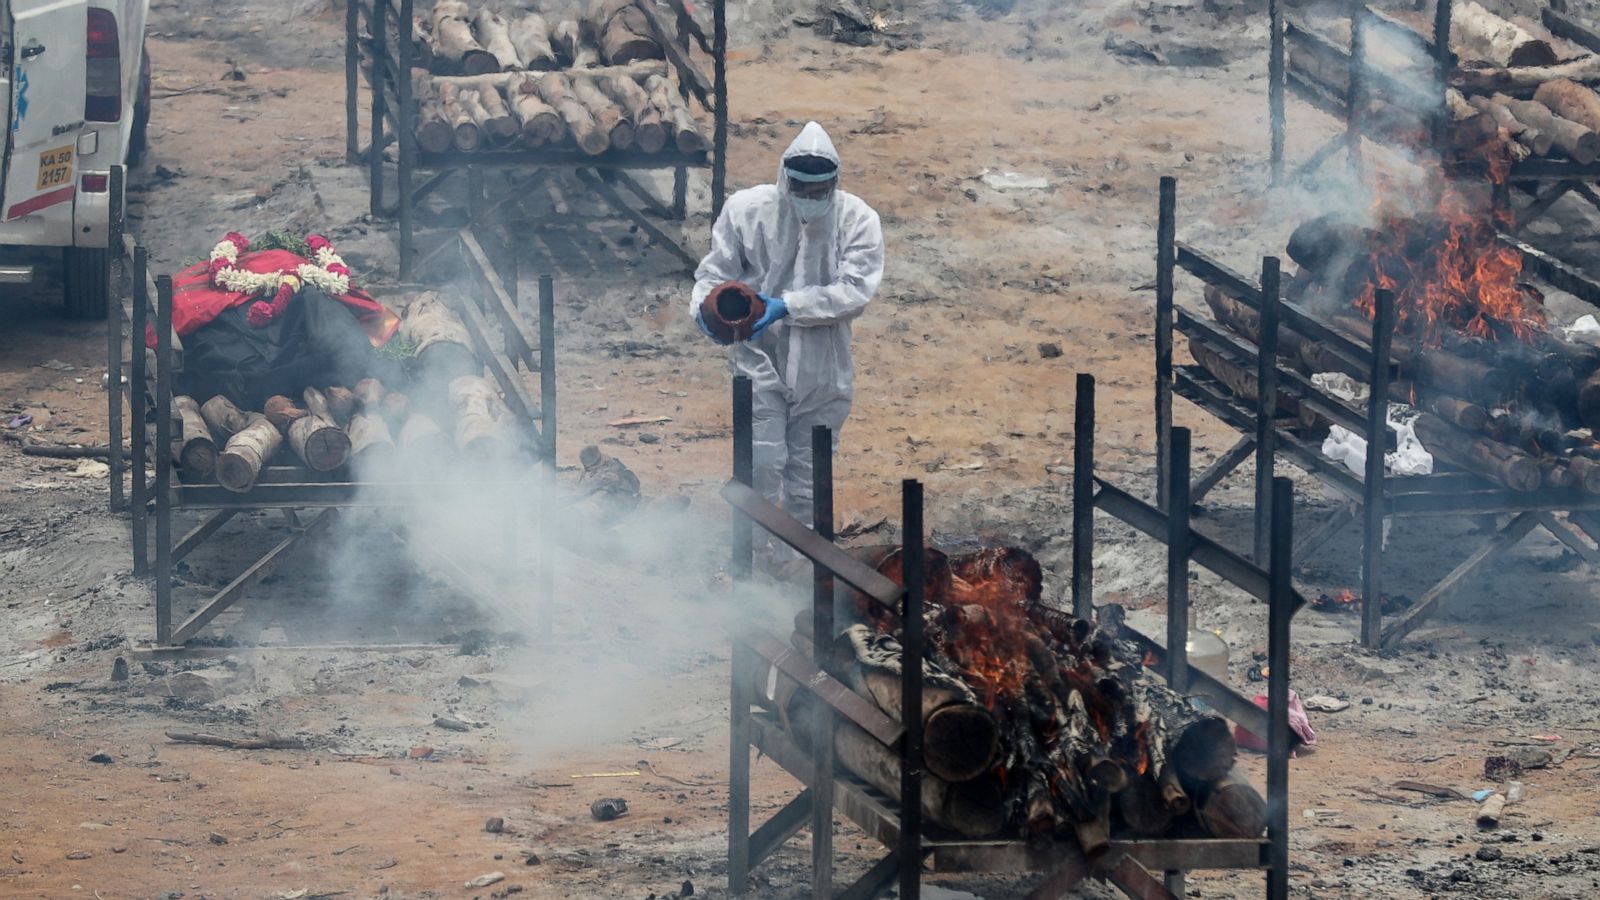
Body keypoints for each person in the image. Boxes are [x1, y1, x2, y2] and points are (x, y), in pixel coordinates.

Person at [690, 122, 885, 544]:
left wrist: (787, 306)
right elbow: (712, 274)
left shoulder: (858, 220)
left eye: (819, 192)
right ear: (784, 179)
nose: (810, 199)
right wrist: (705, 314)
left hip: (823, 368)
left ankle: (800, 571)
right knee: (760, 466)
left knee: (811, 479)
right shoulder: (746, 211)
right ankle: (754, 565)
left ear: (834, 184)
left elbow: (855, 290)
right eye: (801, 189)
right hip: (759, 362)